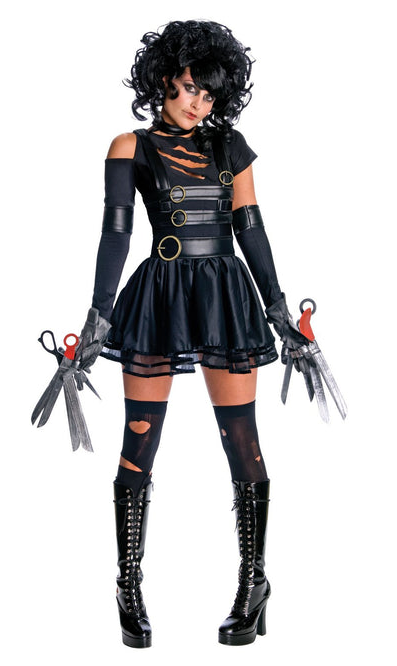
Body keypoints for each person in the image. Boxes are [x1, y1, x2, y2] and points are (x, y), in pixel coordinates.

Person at [76, 20, 310, 648]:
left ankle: (254, 584)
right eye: (187, 88)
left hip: (226, 298)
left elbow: (251, 228)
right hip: (160, 299)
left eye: (208, 94)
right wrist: (99, 315)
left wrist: (280, 309)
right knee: (138, 443)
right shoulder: (129, 146)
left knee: (243, 442)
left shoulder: (230, 146)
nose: (197, 103)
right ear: (162, 80)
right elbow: (116, 233)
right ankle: (128, 586)